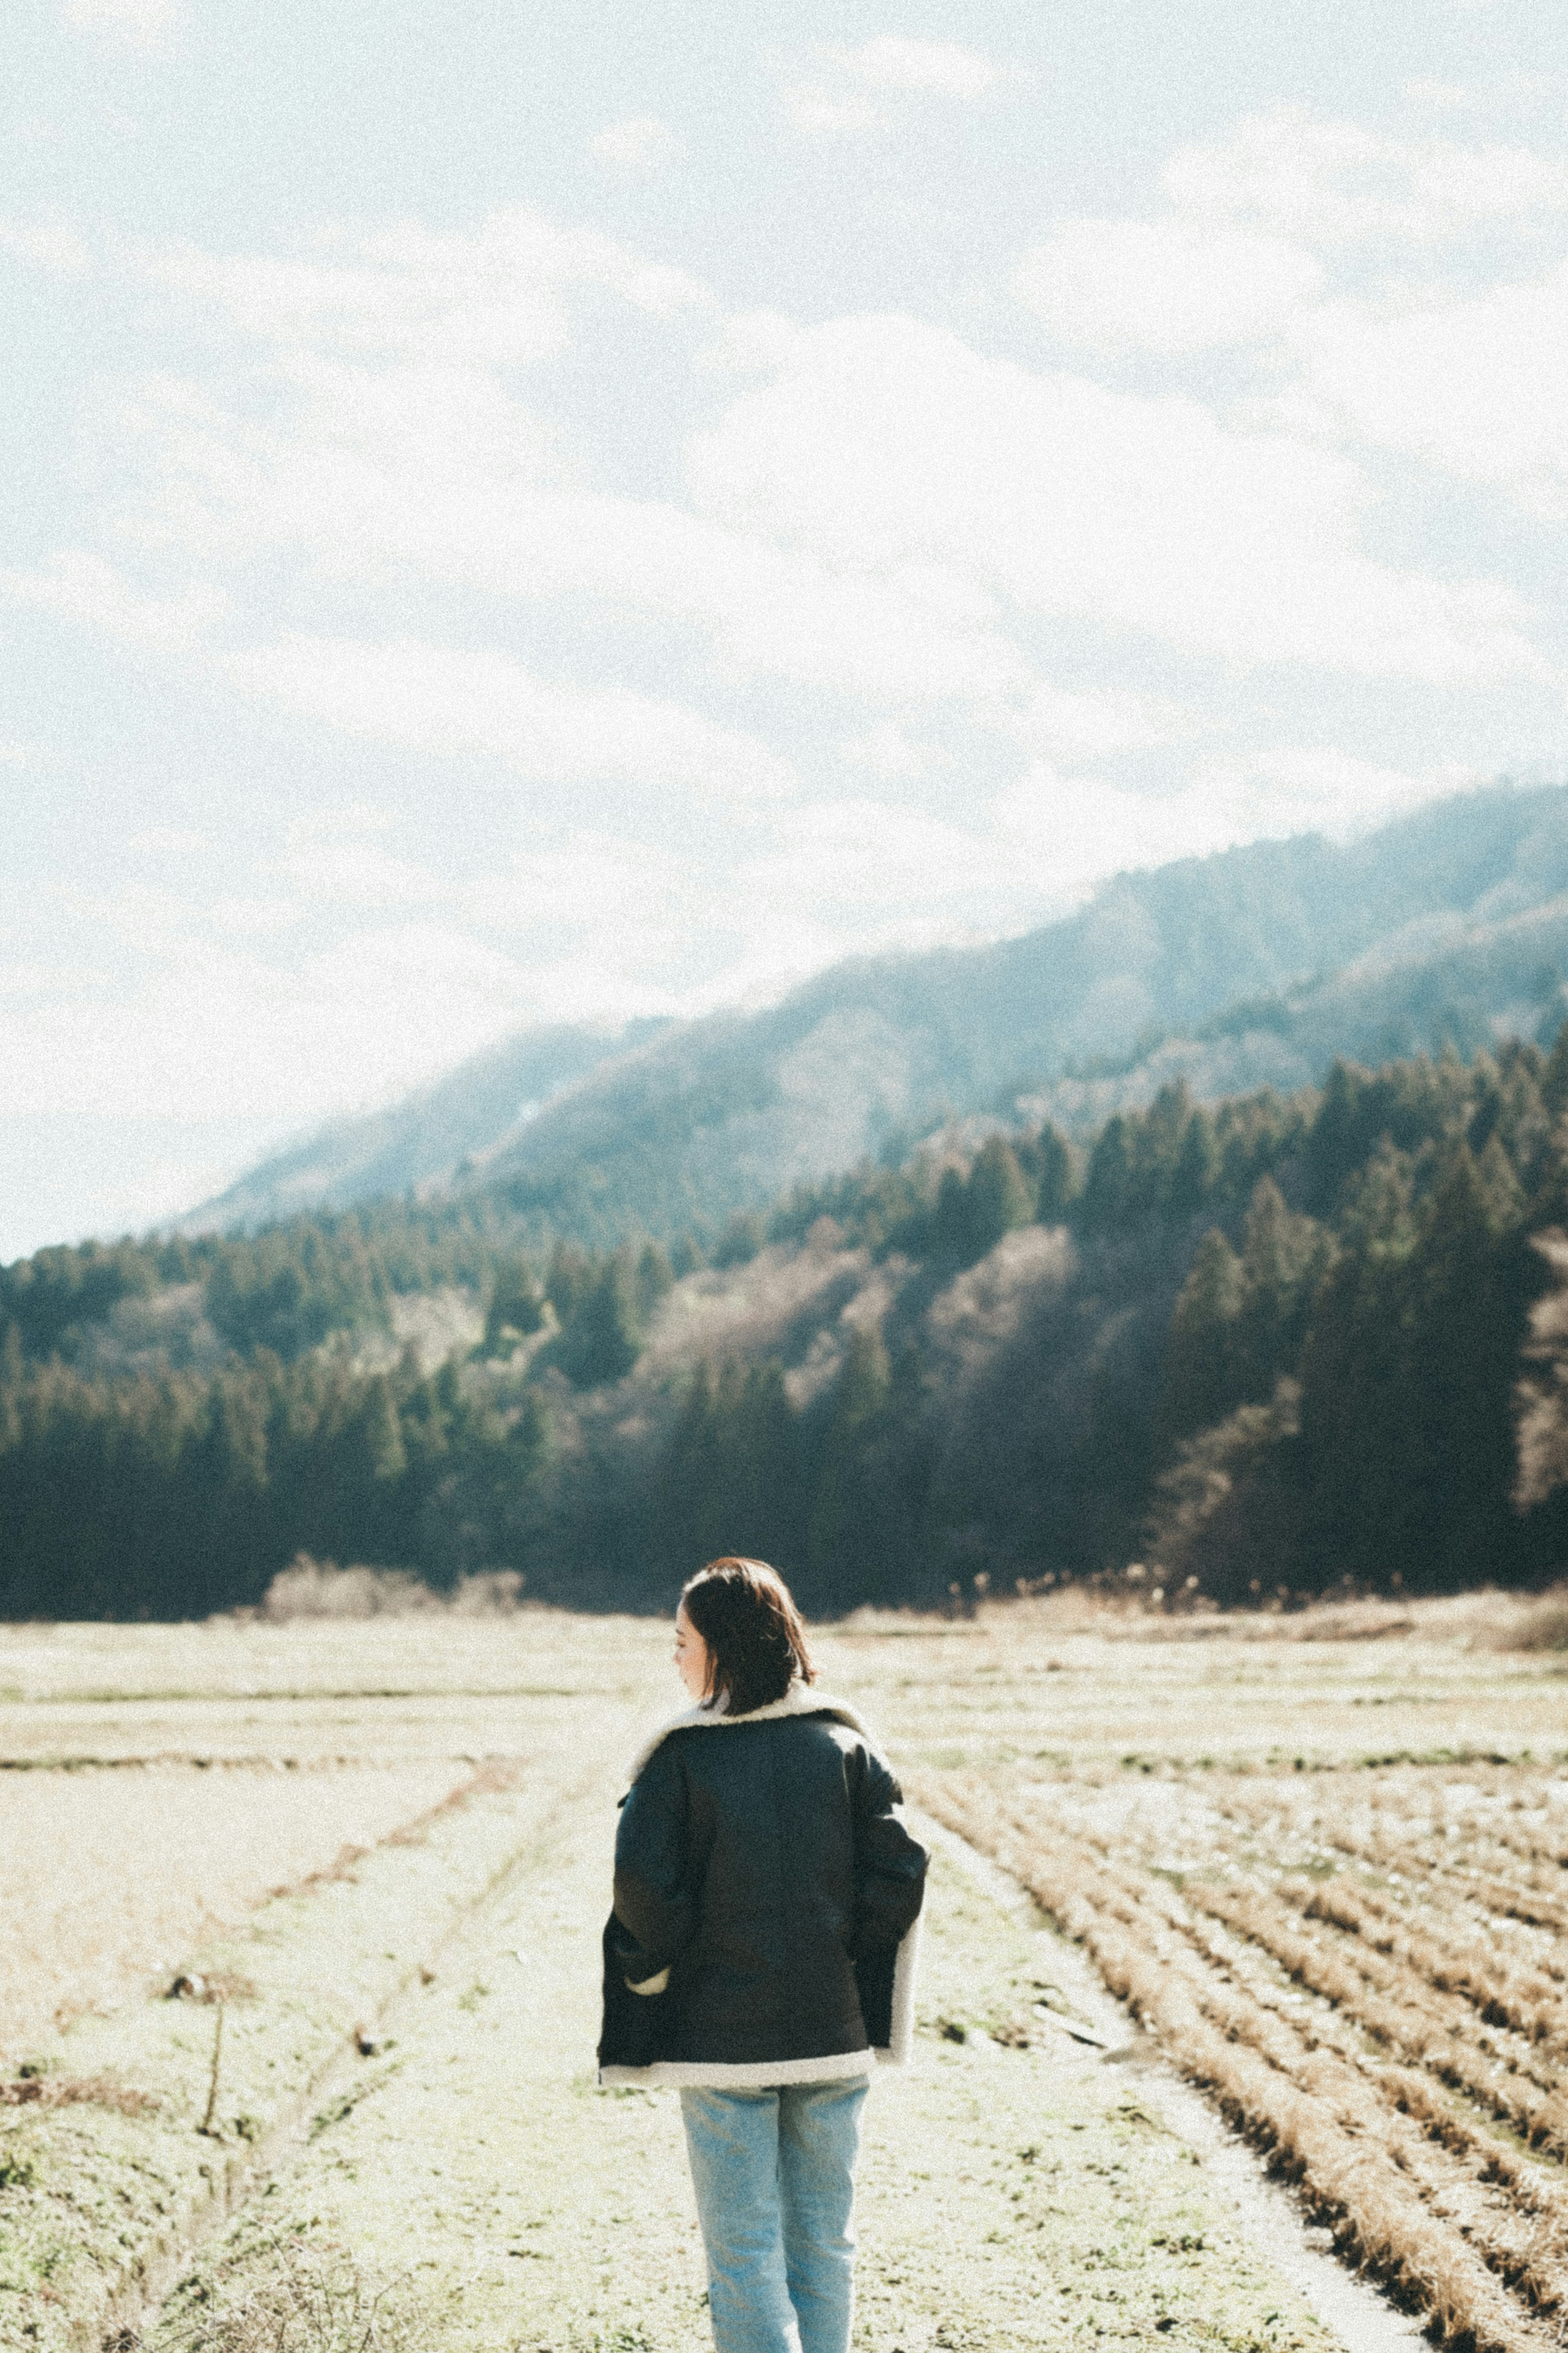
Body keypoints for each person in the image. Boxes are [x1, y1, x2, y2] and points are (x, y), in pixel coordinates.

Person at [598, 1555, 928, 2353]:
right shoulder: (843, 1746)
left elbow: (642, 1884)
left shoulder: (680, 1757)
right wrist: (842, 1958)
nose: (674, 1658)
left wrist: (666, 1963)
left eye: (683, 1641)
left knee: (743, 2254)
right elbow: (900, 1869)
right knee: (825, 2243)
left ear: (723, 1651)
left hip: (721, 2049)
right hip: (831, 2036)